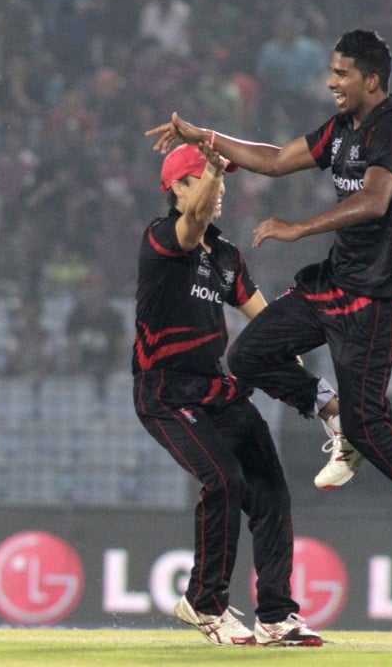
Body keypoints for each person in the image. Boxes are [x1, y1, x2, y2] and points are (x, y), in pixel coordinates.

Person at [146, 29, 392, 577]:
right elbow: (276, 160)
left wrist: (299, 227)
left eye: (342, 73)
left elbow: (374, 202)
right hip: (331, 284)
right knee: (249, 356)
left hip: (376, 295)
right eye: (331, 71)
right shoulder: (341, 130)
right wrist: (205, 137)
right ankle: (335, 416)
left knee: (372, 422)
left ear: (372, 81)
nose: (331, 82)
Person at [133, 142, 322, 647]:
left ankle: (277, 616)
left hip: (215, 390)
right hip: (167, 393)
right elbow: (191, 224)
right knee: (223, 481)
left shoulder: (225, 257)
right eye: (206, 178)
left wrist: (300, 374)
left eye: (220, 179)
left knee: (271, 492)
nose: (219, 190)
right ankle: (203, 604)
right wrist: (215, 163)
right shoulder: (162, 240)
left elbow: (265, 321)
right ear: (177, 188)